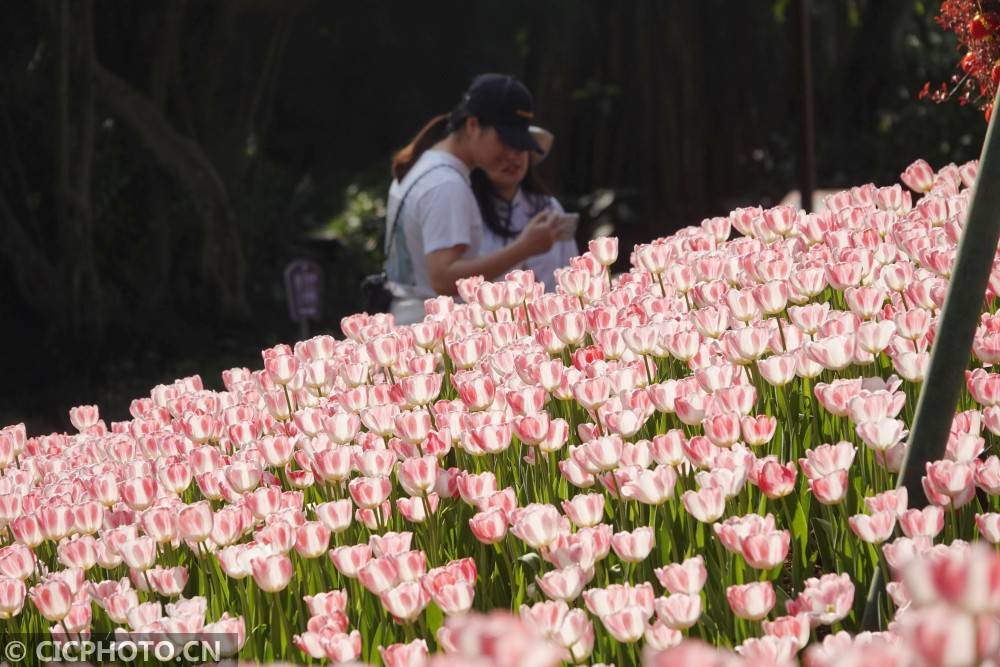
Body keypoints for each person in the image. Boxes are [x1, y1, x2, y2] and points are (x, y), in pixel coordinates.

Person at [384, 74, 560, 324]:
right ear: (473, 126)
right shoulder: (447, 185)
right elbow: (443, 278)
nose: (512, 153)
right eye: (505, 140)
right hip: (432, 334)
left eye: (519, 144)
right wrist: (524, 248)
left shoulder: (425, 168)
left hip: (410, 323)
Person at [471, 126, 578, 292]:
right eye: (503, 148)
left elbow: (572, 271)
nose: (512, 156)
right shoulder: (467, 211)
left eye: (521, 147)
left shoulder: (551, 208)